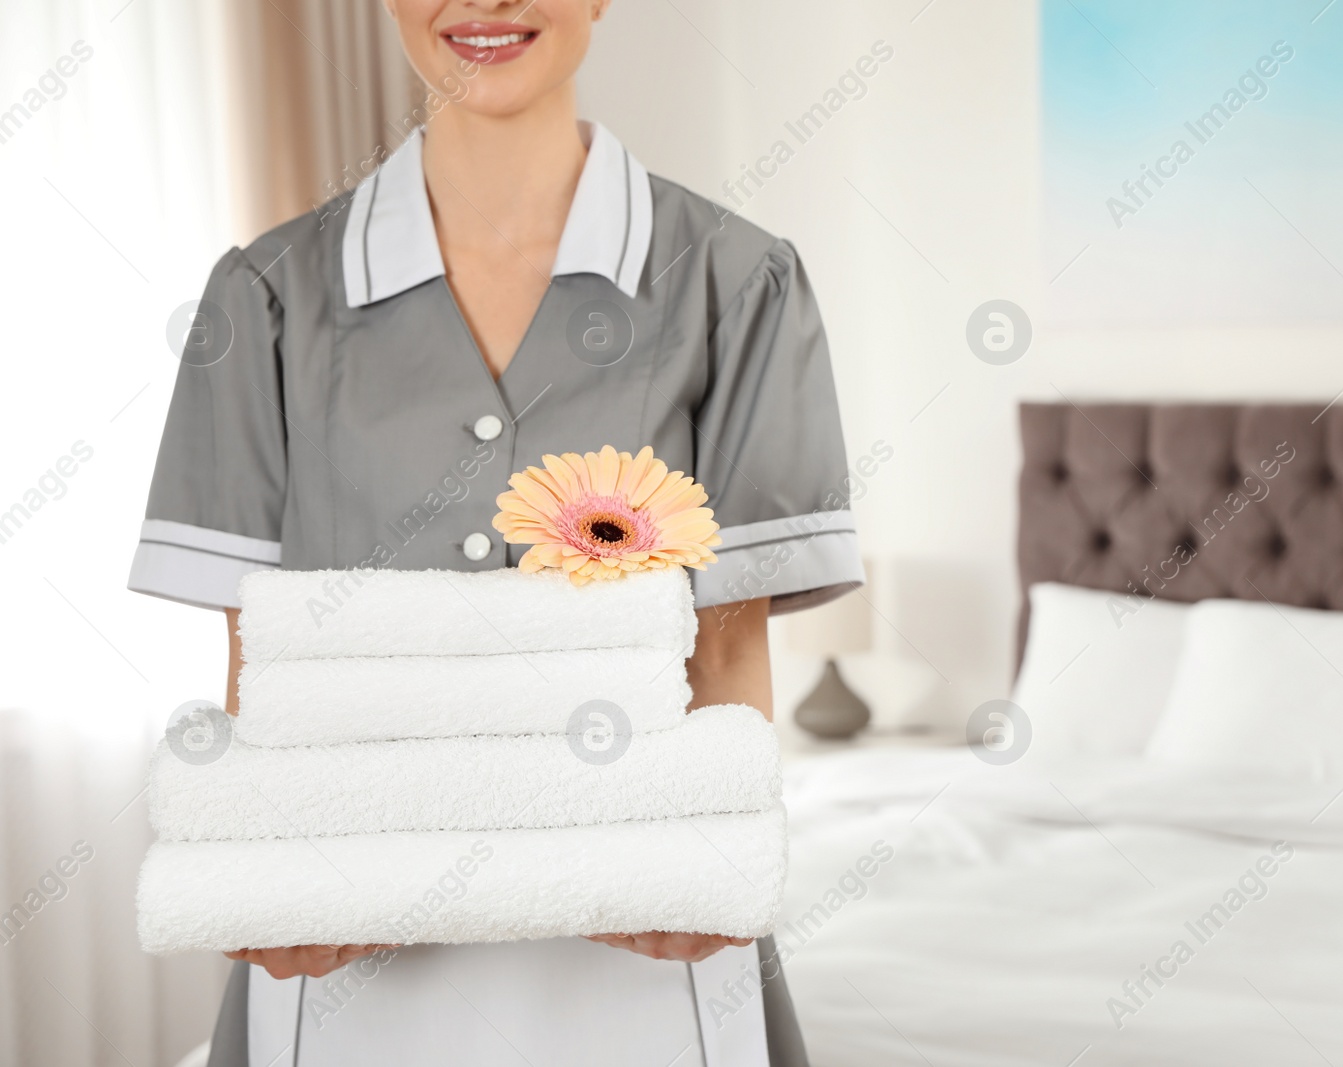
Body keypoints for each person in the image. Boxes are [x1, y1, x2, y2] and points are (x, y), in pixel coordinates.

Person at [127, 1, 863, 1063]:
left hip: (647, 948)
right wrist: (274, 876)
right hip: (347, 956)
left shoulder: (735, 283)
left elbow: (733, 651)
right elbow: (263, 669)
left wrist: (712, 870)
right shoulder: (266, 299)